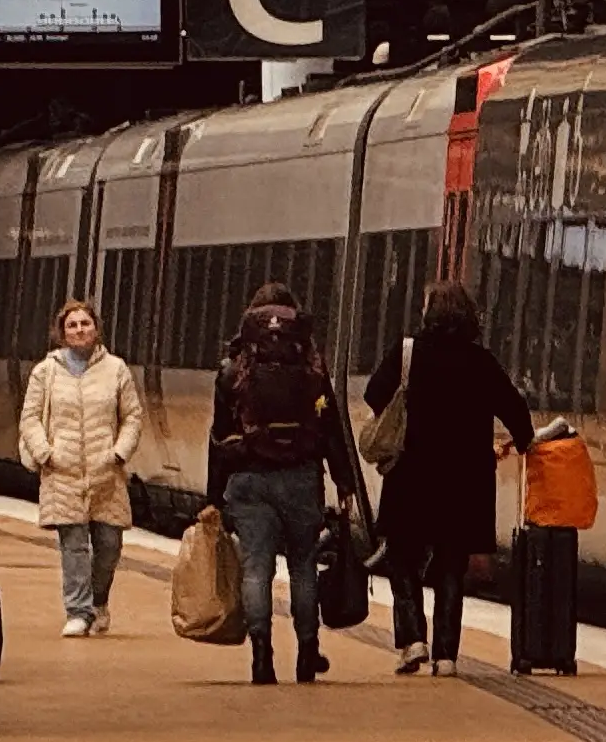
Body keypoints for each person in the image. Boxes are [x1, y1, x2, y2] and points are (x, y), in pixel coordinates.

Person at [365, 281, 532, 677]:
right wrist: (524, 442)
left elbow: (374, 395)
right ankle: (446, 656)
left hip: (412, 477)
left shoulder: (408, 355)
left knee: (402, 558)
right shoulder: (481, 361)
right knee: (451, 566)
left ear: (429, 314)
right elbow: (514, 408)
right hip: (465, 482)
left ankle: (412, 640)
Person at [208, 279, 363, 686]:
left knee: (255, 569)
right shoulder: (311, 368)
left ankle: (262, 657)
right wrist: (344, 481)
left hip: (248, 479)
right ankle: (307, 653)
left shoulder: (233, 368)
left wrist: (213, 497)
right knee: (303, 567)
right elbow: (330, 425)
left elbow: (219, 436)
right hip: (301, 478)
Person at [18, 299, 145, 635]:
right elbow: (29, 418)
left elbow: (132, 416)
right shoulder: (45, 372)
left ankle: (98, 601)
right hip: (62, 471)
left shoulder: (116, 369)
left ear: (96, 328)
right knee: (73, 546)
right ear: (62, 332)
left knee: (109, 547)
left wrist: (119, 453)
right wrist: (45, 453)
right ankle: (78, 611)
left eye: (85, 324)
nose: (79, 330)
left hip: (107, 473)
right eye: (72, 325)